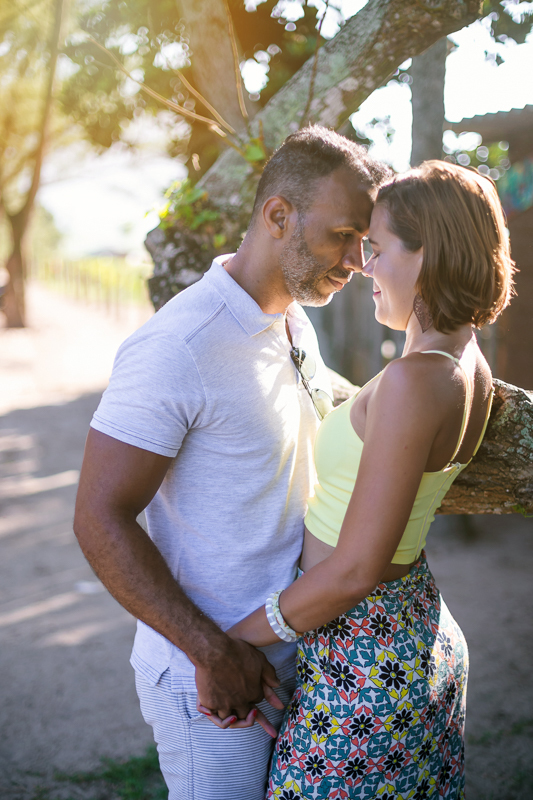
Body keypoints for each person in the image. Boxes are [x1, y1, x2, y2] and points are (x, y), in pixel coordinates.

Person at [73, 126, 391, 800]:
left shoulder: (294, 323)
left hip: (299, 655)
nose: (357, 260)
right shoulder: (178, 345)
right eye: (343, 235)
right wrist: (210, 651)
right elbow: (99, 517)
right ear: (278, 216)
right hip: (212, 679)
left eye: (364, 241)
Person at [225, 161, 515, 799]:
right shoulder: (463, 362)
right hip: (402, 632)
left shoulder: (418, 380)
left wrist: (235, 641)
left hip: (364, 656)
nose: (362, 266)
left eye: (377, 249)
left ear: (427, 254)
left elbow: (356, 569)